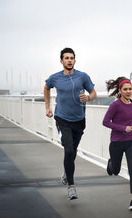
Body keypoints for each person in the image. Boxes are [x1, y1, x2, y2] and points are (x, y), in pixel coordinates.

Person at [44, 47, 97, 200]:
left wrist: (89, 97)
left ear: (74, 60)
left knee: (72, 152)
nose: (69, 60)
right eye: (66, 58)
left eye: (71, 58)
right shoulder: (55, 78)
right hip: (62, 118)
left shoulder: (83, 76)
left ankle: (66, 172)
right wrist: (47, 107)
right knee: (68, 151)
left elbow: (93, 92)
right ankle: (71, 187)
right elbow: (46, 88)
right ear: (61, 61)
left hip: (79, 120)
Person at [102, 77, 132, 211]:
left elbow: (130, 120)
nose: (128, 91)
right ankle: (111, 164)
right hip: (116, 142)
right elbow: (106, 122)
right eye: (125, 89)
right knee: (116, 171)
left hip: (131, 141)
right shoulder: (115, 105)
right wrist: (122, 128)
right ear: (120, 90)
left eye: (130, 89)